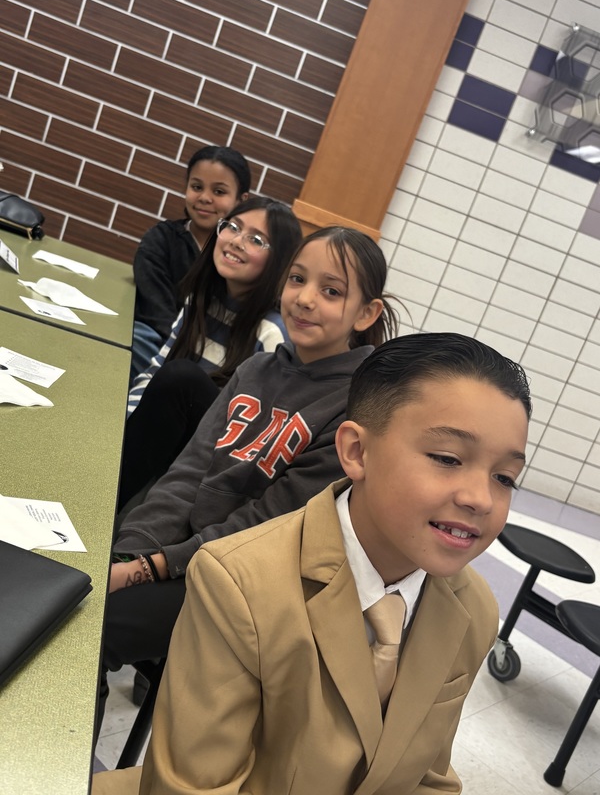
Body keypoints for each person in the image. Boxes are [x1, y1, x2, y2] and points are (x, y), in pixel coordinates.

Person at [93, 331, 531, 794]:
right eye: (446, 458)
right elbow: (192, 786)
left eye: (504, 477)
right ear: (356, 452)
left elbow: (428, 776)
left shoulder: (473, 610)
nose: (481, 498)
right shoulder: (241, 585)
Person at [95, 226, 400, 739]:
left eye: (331, 291)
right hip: (188, 558)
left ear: (365, 314)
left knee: (89, 630)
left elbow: (267, 527)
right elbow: (187, 474)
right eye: (298, 279)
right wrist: (130, 553)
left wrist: (152, 567)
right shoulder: (257, 368)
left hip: (251, 588)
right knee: (75, 587)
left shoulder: (357, 407)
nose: (305, 299)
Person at [119, 196, 302, 511]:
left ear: (280, 262)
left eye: (256, 239)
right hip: (171, 435)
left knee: (182, 379)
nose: (236, 241)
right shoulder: (201, 299)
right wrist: (127, 425)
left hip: (217, 463)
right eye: (232, 227)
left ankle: (106, 504)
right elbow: (153, 371)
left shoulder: (272, 333)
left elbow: (255, 441)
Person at [131, 145, 251, 380]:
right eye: (196, 187)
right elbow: (157, 315)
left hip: (218, 365)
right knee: (136, 338)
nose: (205, 198)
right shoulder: (161, 240)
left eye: (219, 191)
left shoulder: (241, 256)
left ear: (241, 200)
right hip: (162, 346)